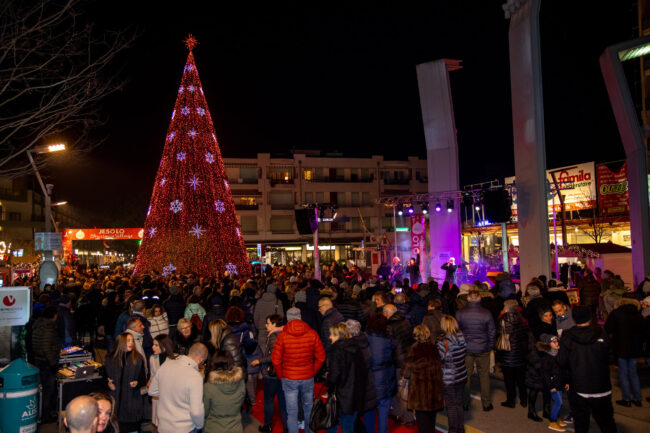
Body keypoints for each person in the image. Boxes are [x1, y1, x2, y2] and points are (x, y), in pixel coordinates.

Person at [557, 306, 618, 433]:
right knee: (607, 421)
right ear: (590, 317)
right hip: (601, 385)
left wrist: (566, 379)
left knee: (581, 423)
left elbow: (562, 361)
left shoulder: (568, 336)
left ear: (574, 319)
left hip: (579, 385)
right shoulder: (601, 332)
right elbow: (611, 357)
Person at [271, 305, 326, 433]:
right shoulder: (312, 333)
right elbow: (321, 357)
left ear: (288, 319)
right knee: (308, 408)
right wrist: (312, 372)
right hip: (307, 377)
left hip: (289, 377)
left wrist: (281, 376)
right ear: (300, 318)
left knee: (292, 411)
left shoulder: (282, 336)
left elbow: (275, 360)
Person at [149, 342, 209, 433]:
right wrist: (199, 425)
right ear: (200, 359)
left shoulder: (166, 365)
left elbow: (152, 390)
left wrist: (168, 393)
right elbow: (196, 411)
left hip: (163, 426)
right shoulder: (195, 376)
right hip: (184, 428)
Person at [455, 288, 496, 411]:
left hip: (466, 348)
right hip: (483, 348)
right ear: (479, 298)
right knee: (484, 375)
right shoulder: (486, 313)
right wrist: (490, 346)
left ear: (468, 298)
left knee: (466, 375)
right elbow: (492, 332)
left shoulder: (460, 313)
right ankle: (486, 403)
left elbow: (457, 332)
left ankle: (465, 403)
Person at [325, 322, 368, 433]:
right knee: (348, 426)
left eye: (332, 335)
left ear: (339, 335)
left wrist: (328, 379)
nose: (330, 337)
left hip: (341, 395)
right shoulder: (356, 348)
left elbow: (334, 376)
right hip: (355, 395)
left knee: (332, 424)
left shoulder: (336, 350)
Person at [403, 325, 445, 433]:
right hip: (434, 392)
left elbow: (406, 372)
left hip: (420, 394)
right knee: (431, 423)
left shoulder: (414, 349)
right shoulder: (433, 347)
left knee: (422, 425)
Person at [604, 298, 644, 407]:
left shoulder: (616, 314)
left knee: (623, 374)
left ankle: (626, 399)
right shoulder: (637, 314)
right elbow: (642, 331)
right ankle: (637, 398)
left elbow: (608, 328)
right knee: (633, 373)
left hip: (620, 347)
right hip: (634, 348)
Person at [104, 332, 147, 433]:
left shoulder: (138, 358)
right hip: (115, 402)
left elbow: (143, 379)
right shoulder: (111, 358)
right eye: (128, 340)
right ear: (121, 342)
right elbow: (104, 377)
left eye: (132, 340)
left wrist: (137, 383)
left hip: (132, 403)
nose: (131, 343)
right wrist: (108, 383)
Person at [253, 313, 288, 433]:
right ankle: (286, 427)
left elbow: (273, 356)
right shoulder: (285, 333)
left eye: (268, 323)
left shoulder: (273, 337)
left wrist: (259, 360)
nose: (265, 325)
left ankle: (268, 426)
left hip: (272, 373)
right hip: (283, 373)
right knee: (283, 403)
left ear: (274, 324)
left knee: (268, 400)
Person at [364, 313, 397, 433]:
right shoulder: (390, 340)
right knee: (384, 411)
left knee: (369, 410)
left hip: (370, 379)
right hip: (386, 378)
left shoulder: (365, 339)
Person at [437, 315, 467, 433]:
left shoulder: (443, 341)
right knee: (458, 403)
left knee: (451, 405)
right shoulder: (461, 337)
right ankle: (460, 428)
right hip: (461, 374)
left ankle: (453, 429)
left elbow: (440, 358)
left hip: (449, 377)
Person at [204, 350, 246, 433]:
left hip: (213, 428)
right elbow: (241, 401)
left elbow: (205, 411)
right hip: (235, 428)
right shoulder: (241, 383)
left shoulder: (209, 387)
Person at [497, 299, 529, 409]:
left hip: (507, 353)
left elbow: (499, 334)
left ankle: (511, 400)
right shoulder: (521, 318)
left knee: (509, 380)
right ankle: (524, 400)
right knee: (521, 379)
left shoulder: (503, 319)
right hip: (520, 352)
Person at [31, 305, 60, 423]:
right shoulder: (48, 328)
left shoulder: (38, 325)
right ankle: (45, 415)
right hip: (46, 362)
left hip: (39, 360)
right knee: (48, 389)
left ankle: (42, 413)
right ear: (54, 315)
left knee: (43, 389)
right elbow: (47, 347)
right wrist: (53, 363)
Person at [538, 334, 569, 432]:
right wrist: (551, 386)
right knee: (558, 402)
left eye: (557, 341)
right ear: (548, 344)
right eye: (554, 342)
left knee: (559, 402)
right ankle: (553, 421)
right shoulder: (547, 357)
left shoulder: (559, 354)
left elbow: (564, 370)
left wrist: (566, 382)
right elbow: (545, 374)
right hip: (553, 384)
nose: (556, 343)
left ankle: (557, 418)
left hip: (559, 383)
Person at [149, 334, 177, 427]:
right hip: (157, 395)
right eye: (153, 345)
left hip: (171, 396)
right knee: (159, 423)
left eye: (156, 345)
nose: (153, 347)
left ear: (165, 346)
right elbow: (152, 375)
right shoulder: (152, 358)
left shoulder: (175, 360)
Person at [254, 281, 284, 352]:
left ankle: (264, 362)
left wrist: (258, 326)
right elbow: (281, 316)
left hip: (262, 328)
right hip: (274, 329)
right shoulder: (278, 302)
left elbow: (256, 316)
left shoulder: (259, 302)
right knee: (274, 350)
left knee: (263, 350)